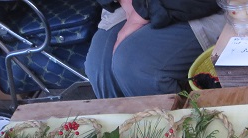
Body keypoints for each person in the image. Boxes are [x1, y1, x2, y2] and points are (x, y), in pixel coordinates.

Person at [85, 0, 224, 98]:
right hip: (127, 5)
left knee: (134, 65)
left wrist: (143, 10)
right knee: (100, 66)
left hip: (200, 6)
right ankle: (127, 129)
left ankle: (176, 128)